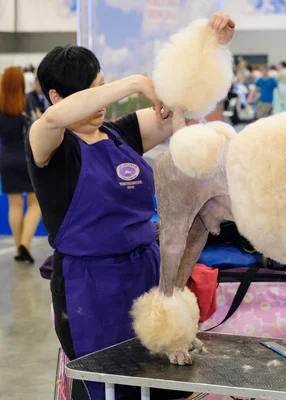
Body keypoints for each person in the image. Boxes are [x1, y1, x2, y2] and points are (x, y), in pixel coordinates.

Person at [26, 12, 235, 400]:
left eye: (102, 87)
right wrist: (136, 82)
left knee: (167, 386)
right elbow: (54, 119)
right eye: (94, 91)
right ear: (57, 95)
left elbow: (181, 106)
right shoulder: (50, 146)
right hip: (90, 290)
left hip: (149, 274)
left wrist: (208, 45)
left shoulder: (120, 133)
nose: (103, 101)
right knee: (110, 389)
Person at [0, 67, 41, 264]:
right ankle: (25, 244)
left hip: (6, 159)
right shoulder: (27, 101)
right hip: (26, 158)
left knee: (14, 204)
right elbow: (37, 125)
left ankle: (19, 248)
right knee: (35, 204)